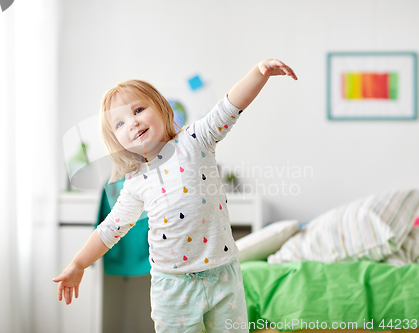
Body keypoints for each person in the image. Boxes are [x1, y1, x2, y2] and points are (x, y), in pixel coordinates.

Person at [53, 58, 298, 332]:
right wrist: (78, 263)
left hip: (223, 276)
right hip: (172, 287)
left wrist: (258, 73)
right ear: (116, 141)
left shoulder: (196, 140)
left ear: (161, 107)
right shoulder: (134, 183)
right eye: (119, 124)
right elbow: (110, 228)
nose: (132, 123)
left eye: (138, 109)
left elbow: (229, 107)